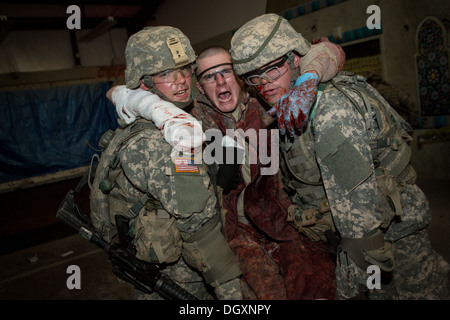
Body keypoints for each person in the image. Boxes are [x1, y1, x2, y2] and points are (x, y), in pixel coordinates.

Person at [229, 13, 450, 300]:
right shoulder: (288, 100)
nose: (264, 83)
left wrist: (351, 278)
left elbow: (357, 210)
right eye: (253, 77)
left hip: (388, 232)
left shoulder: (328, 108)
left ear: (295, 59)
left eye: (271, 69)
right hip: (363, 230)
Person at [107, 40, 345, 299]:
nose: (220, 82)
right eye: (209, 76)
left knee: (316, 287)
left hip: (282, 224)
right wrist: (156, 109)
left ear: (240, 76)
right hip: (234, 234)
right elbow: (115, 91)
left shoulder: (265, 101)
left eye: (227, 71)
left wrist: (308, 78)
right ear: (199, 87)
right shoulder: (191, 115)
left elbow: (327, 49)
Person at [89, 26, 242, 300]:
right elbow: (199, 227)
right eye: (166, 74)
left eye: (184, 69)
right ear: (144, 83)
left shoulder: (154, 122)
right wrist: (233, 297)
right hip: (182, 282)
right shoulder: (159, 143)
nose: (181, 80)